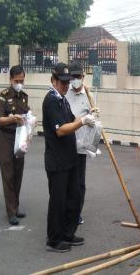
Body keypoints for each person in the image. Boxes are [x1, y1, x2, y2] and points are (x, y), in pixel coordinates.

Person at [42, 62, 95, 253]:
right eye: (62, 82)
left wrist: (90, 123)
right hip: (57, 161)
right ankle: (54, 239)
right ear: (53, 81)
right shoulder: (51, 100)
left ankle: (67, 233)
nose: (65, 85)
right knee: (58, 201)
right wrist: (82, 122)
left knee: (74, 196)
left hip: (70, 158)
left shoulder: (63, 100)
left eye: (67, 81)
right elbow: (61, 130)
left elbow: (72, 119)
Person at [0, 65, 29, 225]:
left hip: (20, 138)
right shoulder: (3, 96)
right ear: (10, 80)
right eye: (17, 81)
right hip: (6, 138)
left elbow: (26, 116)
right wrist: (13, 118)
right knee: (8, 175)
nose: (19, 83)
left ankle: (15, 206)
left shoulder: (24, 96)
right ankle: (11, 211)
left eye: (22, 80)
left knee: (18, 173)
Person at [65, 61, 94, 225]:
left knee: (79, 183)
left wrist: (92, 145)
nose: (75, 80)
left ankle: (76, 213)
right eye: (73, 77)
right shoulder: (65, 93)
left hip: (81, 146)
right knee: (67, 181)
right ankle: (66, 211)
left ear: (83, 77)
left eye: (78, 76)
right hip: (66, 145)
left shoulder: (88, 96)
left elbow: (95, 121)